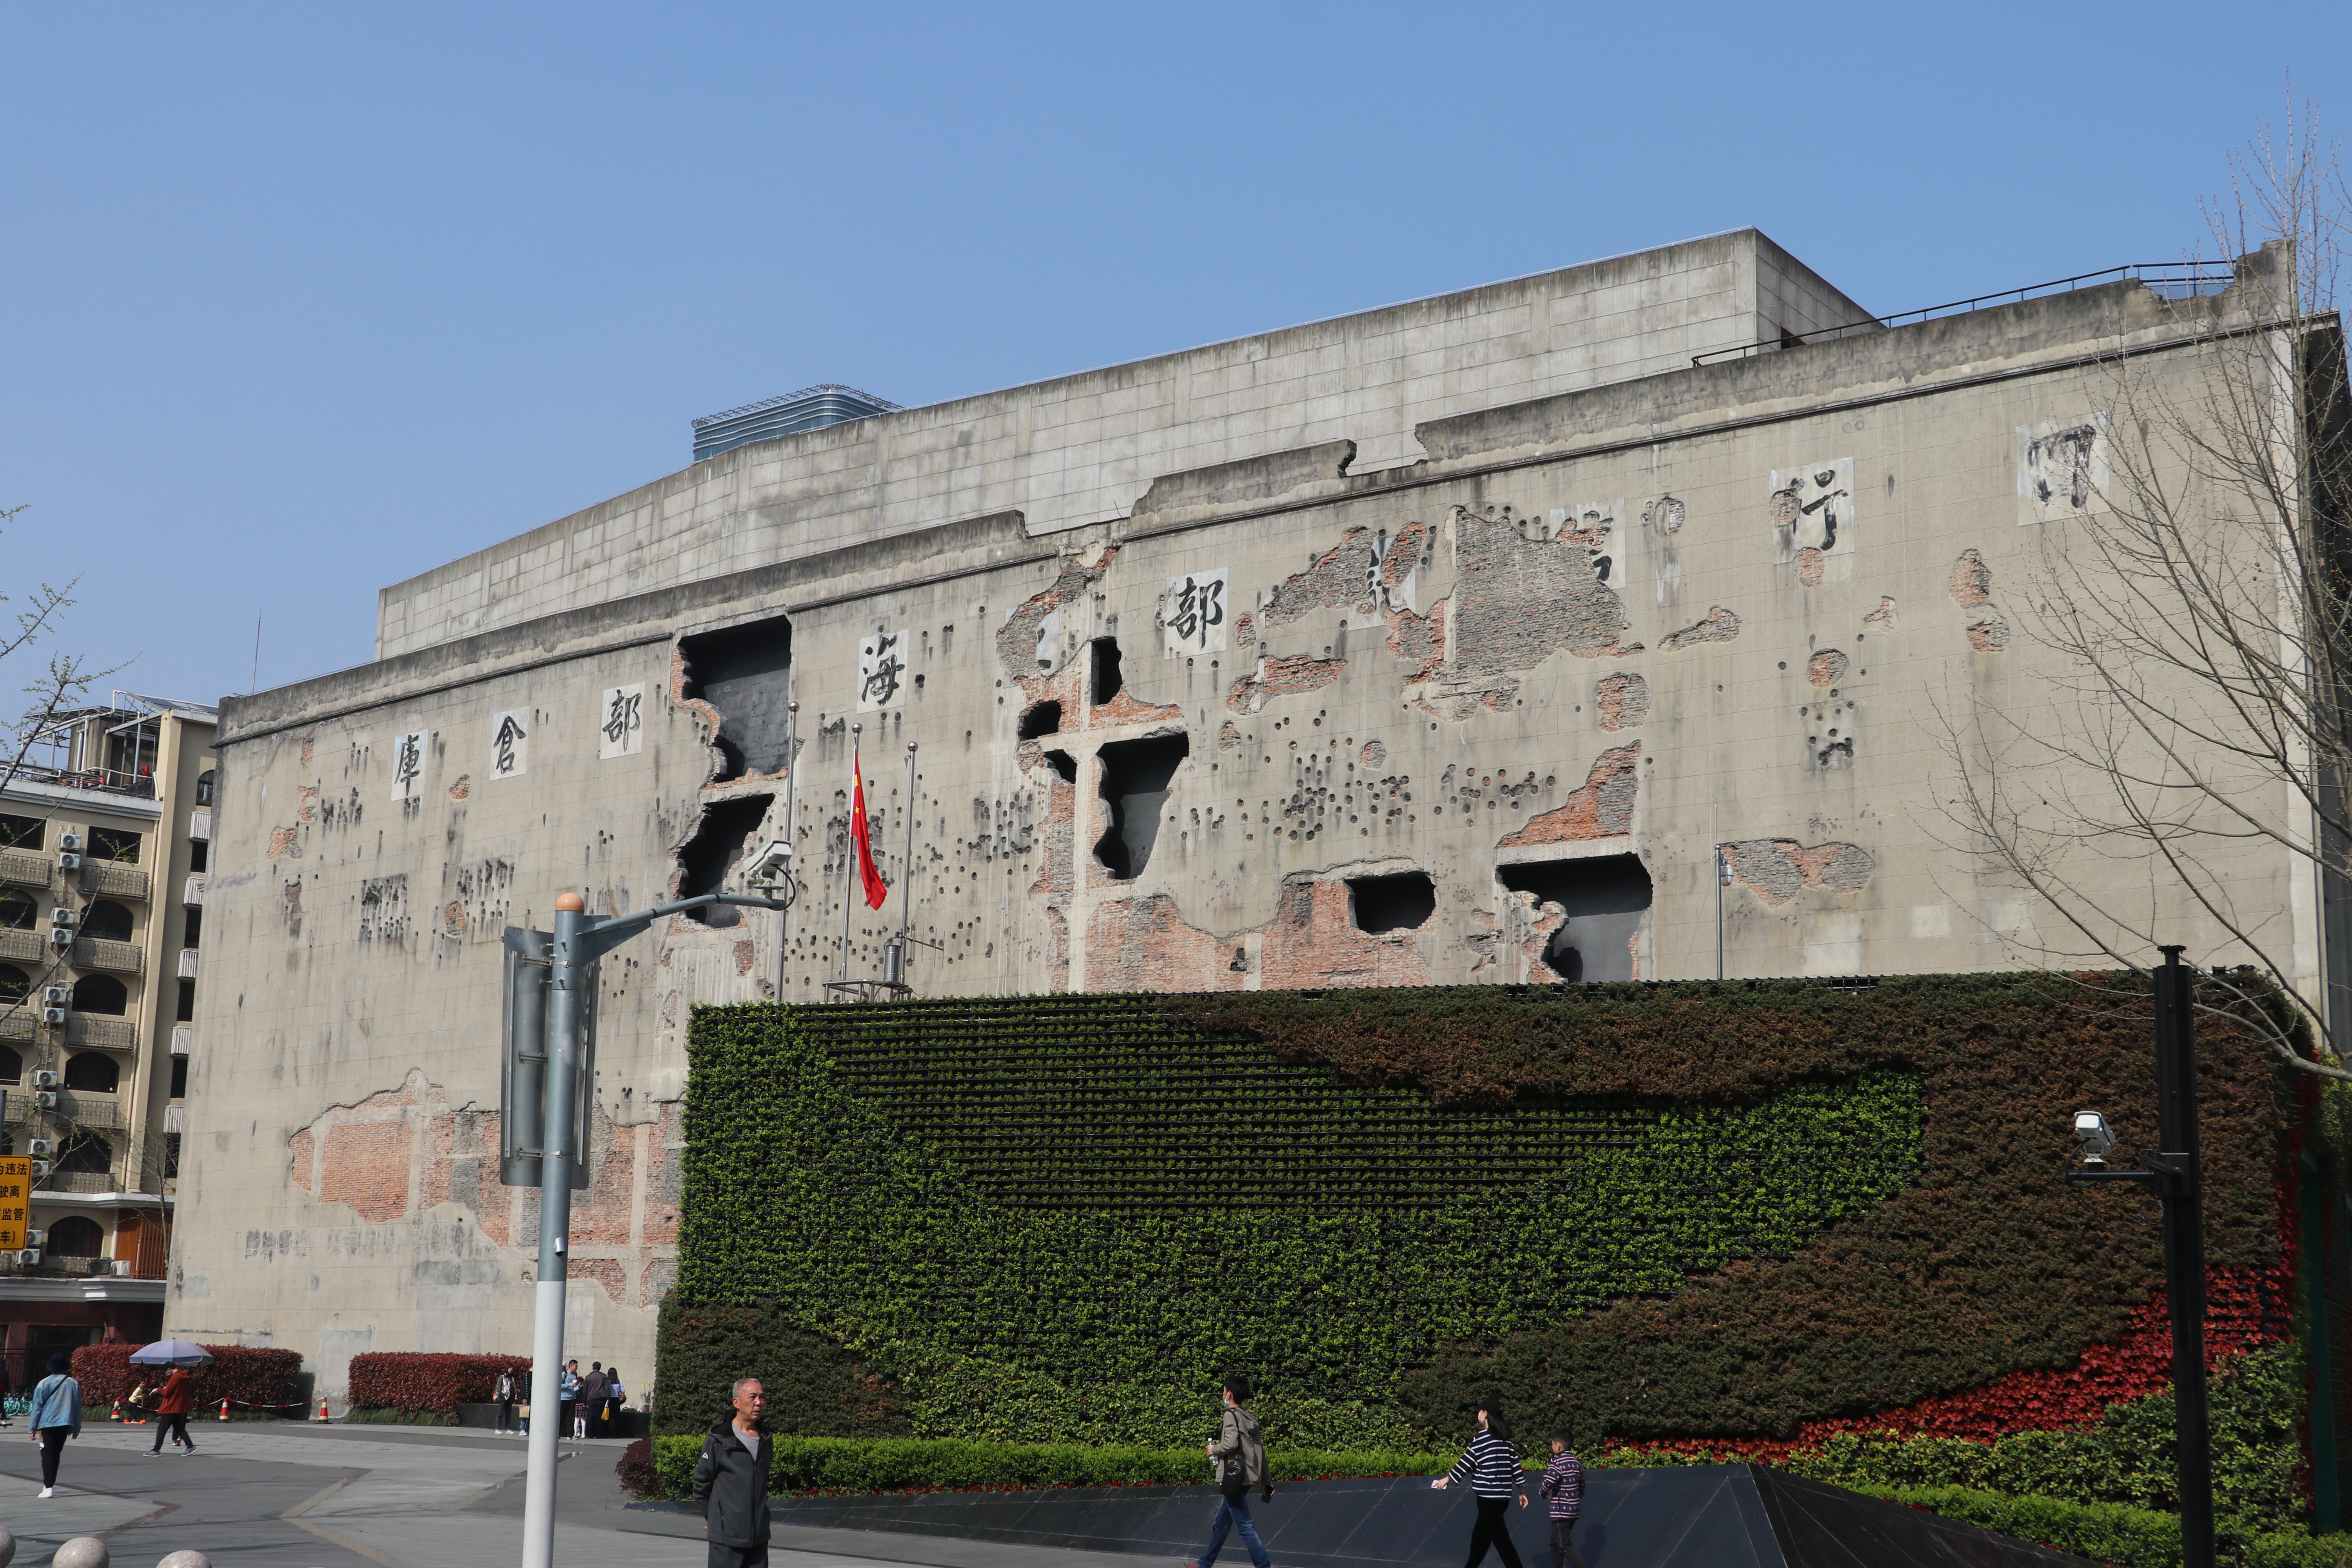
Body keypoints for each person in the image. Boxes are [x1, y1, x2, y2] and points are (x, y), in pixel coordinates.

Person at [1183, 1376, 1271, 1568]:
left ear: (1229, 1394)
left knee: (1245, 1526)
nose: (1222, 1395)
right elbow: (1261, 1452)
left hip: (1234, 1479)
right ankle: (1204, 1564)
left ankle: (1264, 1566)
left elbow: (1231, 1444)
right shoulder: (1249, 1418)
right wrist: (1266, 1481)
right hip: (1246, 1477)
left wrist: (1214, 1449)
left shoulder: (1230, 1415)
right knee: (1221, 1524)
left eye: (1223, 1391)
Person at [1431, 1398, 1528, 1568]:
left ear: (1486, 1415)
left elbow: (1467, 1461)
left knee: (1502, 1541)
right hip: (1504, 1499)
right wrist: (1522, 1492)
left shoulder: (1482, 1438)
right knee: (1480, 1538)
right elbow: (1516, 1467)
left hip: (1487, 1499)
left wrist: (1448, 1479)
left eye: (1481, 1411)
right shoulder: (1506, 1441)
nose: (1478, 1414)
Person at [693, 1377, 771, 1568]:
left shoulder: (766, 1439)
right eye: (753, 1397)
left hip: (759, 1538)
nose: (759, 1403)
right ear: (736, 1402)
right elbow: (701, 1485)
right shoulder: (718, 1440)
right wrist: (714, 1518)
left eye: (762, 1397)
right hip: (726, 1538)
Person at [27, 1352, 82, 1498]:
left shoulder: (44, 1384)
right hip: (65, 1423)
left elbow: (37, 1407)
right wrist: (77, 1427)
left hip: (47, 1423)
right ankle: (50, 1484)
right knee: (56, 1454)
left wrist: (33, 1428)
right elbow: (78, 1407)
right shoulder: (73, 1383)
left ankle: (48, 1486)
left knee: (47, 1455)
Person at [1538, 1431, 1589, 1568]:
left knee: (1564, 1545)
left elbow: (1549, 1482)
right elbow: (1582, 1487)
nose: (1552, 1447)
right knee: (1556, 1544)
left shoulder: (1557, 1462)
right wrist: (1574, 1500)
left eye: (1552, 1444)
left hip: (1561, 1511)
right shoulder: (1576, 1464)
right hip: (1574, 1510)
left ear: (1559, 1446)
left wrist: (1543, 1493)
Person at [147, 1366, 196, 1457]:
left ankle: (156, 1449)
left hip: (171, 1407)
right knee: (179, 1428)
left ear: (170, 1369)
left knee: (162, 1429)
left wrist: (159, 1390)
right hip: (179, 1407)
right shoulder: (183, 1377)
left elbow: (167, 1393)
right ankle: (190, 1446)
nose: (167, 1372)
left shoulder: (175, 1377)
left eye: (167, 1370)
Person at [577, 1362, 604, 1438]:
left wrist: (584, 1401)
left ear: (593, 1367)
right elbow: (606, 1388)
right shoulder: (603, 1376)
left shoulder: (588, 1377)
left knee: (591, 1417)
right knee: (600, 1417)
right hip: (601, 1398)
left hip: (591, 1398)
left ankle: (591, 1434)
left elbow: (585, 1390)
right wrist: (608, 1399)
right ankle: (599, 1434)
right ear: (600, 1368)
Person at [561, 1359, 581, 1438]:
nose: (577, 1368)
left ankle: (570, 1435)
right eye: (576, 1366)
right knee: (562, 1417)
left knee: (571, 1417)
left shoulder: (575, 1375)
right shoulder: (564, 1374)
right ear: (571, 1366)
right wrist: (569, 1385)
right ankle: (559, 1433)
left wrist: (578, 1387)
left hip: (573, 1398)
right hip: (564, 1398)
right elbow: (559, 1385)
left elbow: (574, 1388)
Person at [604, 1367, 626, 1436]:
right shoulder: (620, 1382)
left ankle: (608, 1433)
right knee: (616, 1417)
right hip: (617, 1400)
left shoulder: (608, 1382)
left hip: (609, 1400)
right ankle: (616, 1433)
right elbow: (623, 1391)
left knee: (609, 1416)